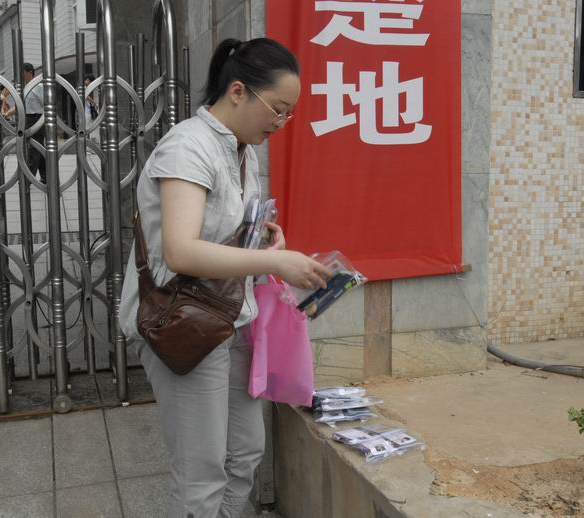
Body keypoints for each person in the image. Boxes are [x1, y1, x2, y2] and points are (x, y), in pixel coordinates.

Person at [119, 38, 330, 517]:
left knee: (245, 454)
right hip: (183, 325)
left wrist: (263, 241)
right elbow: (181, 251)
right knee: (202, 474)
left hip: (230, 318)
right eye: (277, 109)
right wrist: (274, 263)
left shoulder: (242, 150)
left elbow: (222, 234)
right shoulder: (188, 147)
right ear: (238, 92)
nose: (282, 122)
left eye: (289, 113)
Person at [7, 63, 46, 183]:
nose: (20, 75)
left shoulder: (38, 87)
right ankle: (47, 176)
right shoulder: (26, 88)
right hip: (28, 119)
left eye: (22, 72)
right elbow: (20, 106)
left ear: (29, 72)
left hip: (37, 119)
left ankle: (27, 180)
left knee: (33, 150)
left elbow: (47, 104)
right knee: (39, 149)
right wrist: (7, 113)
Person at [83, 73, 99, 144]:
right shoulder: (82, 87)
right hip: (85, 111)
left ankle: (89, 142)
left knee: (89, 126)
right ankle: (88, 143)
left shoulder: (85, 87)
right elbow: (85, 96)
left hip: (86, 110)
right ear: (87, 80)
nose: (90, 84)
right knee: (87, 127)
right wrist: (94, 102)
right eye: (90, 82)